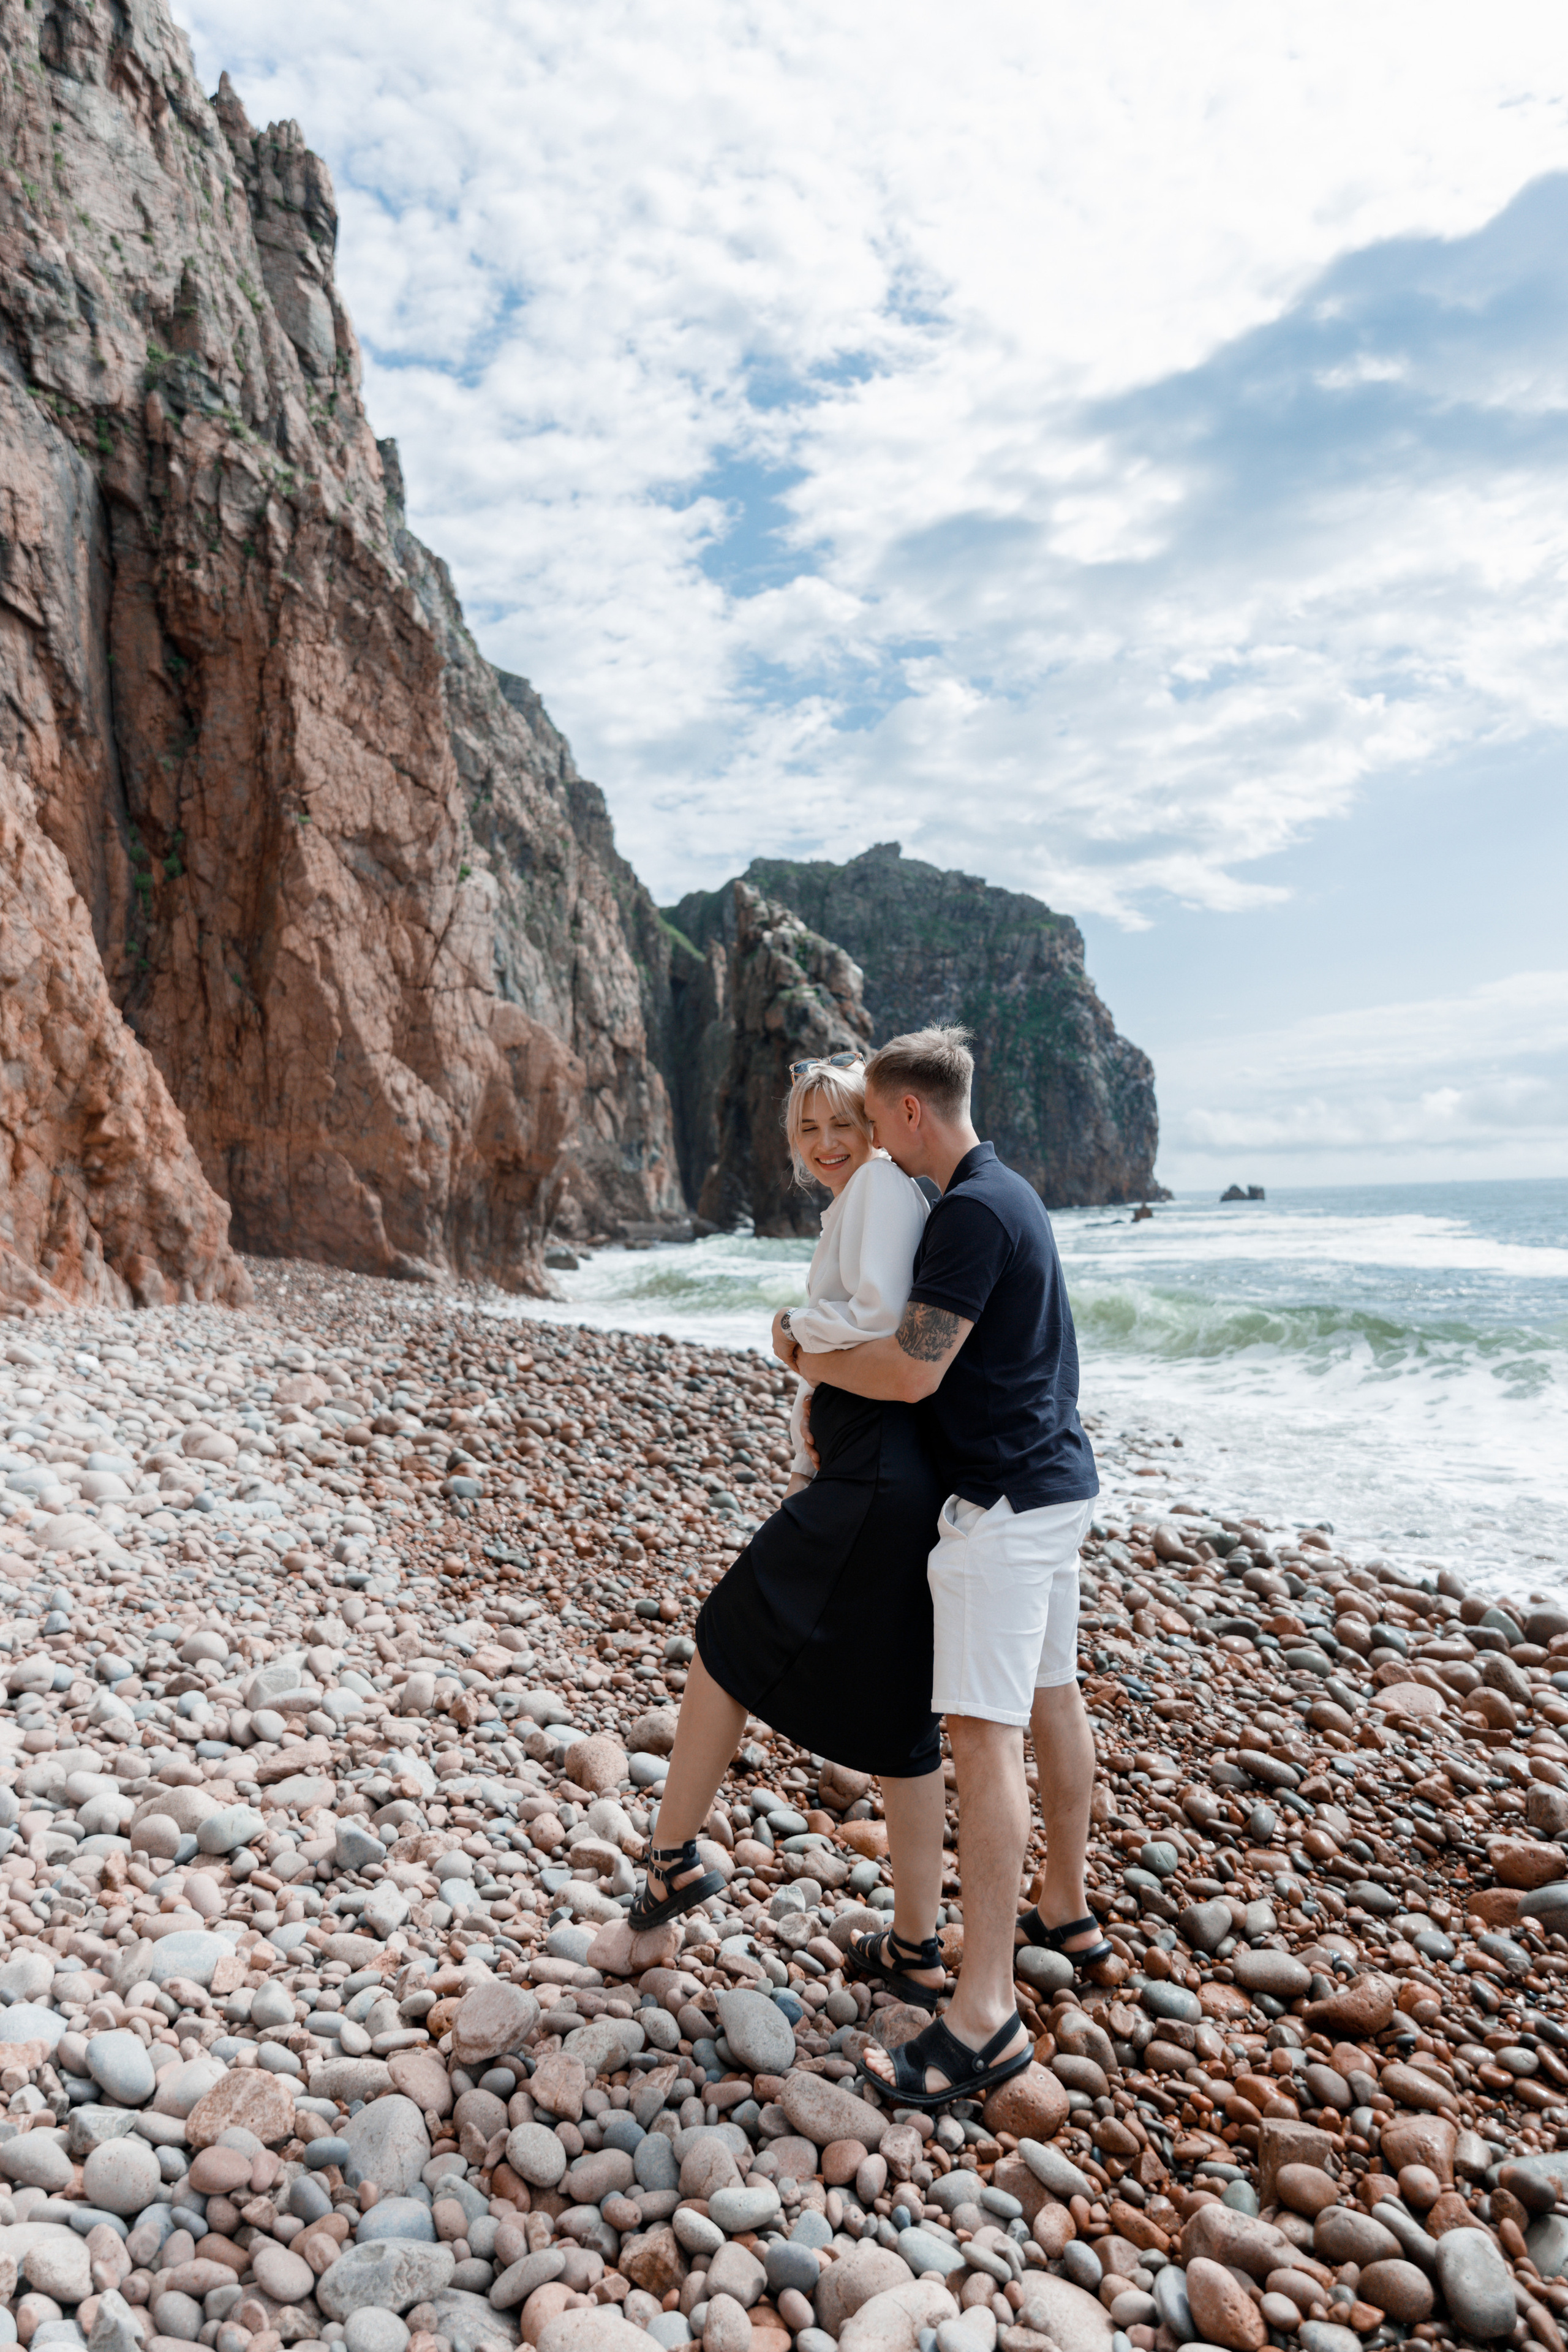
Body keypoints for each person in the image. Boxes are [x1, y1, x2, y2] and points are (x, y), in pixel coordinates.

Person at [784, 1025, 1105, 2109]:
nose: (868, 1140)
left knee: (981, 1735)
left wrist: (800, 1348)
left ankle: (984, 2013)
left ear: (909, 1112)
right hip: (1061, 1481)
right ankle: (1067, 1907)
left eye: (873, 1120)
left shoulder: (967, 1211)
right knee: (1052, 1694)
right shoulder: (1014, 1192)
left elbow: (914, 1373)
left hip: (1003, 1506)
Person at [630, 1055, 951, 2012]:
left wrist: (795, 1334)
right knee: (901, 1718)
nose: (824, 1144)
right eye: (806, 1130)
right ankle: (917, 1950)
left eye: (841, 1121)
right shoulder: (872, 1194)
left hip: (877, 1476)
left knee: (728, 1636)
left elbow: (887, 1328)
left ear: (876, 1120)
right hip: (883, 1472)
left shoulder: (883, 1192)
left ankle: (672, 1861)